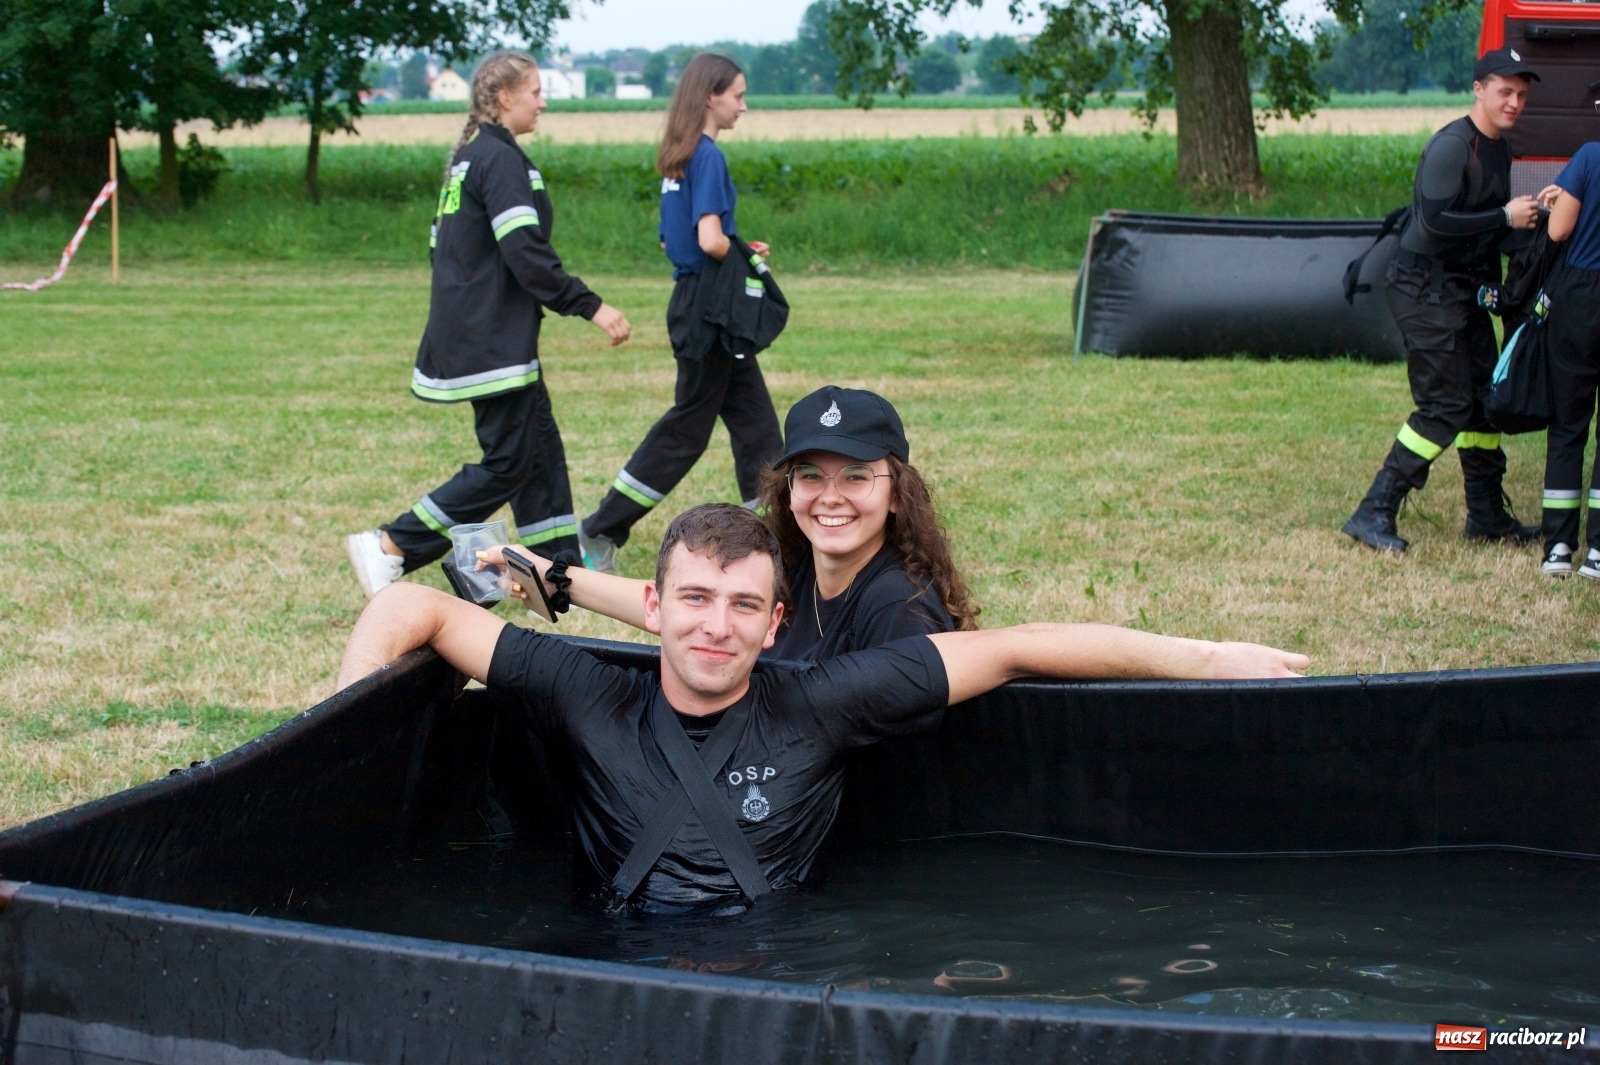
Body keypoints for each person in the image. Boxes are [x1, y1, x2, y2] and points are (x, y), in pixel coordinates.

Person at [337, 503, 1309, 915]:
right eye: (695, 600)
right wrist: (325, 753)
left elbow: (1014, 649)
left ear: (775, 623)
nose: (715, 627)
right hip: (603, 974)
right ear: (653, 606)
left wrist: (1206, 657)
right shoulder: (585, 692)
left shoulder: (824, 704)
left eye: (743, 605)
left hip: (779, 978)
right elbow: (409, 606)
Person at [344, 51, 632, 598]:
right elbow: (526, 252)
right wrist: (591, 306)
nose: (543, 102)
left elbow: (441, 250)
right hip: (492, 345)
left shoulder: (473, 158)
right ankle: (390, 545)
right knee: (507, 465)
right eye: (535, 92)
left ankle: (555, 573)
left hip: (488, 339)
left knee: (539, 454)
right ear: (505, 99)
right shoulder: (498, 160)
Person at [494, 385, 977, 661]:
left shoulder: (898, 607)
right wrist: (552, 579)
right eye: (810, 476)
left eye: (856, 477)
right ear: (788, 491)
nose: (831, 497)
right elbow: (682, 605)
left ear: (897, 494)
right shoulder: (800, 567)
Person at [577, 53, 783, 575]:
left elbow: (675, 239)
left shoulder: (680, 156)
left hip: (695, 302)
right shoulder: (709, 155)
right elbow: (708, 239)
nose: (743, 104)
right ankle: (601, 528)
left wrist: (737, 246)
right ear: (710, 96)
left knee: (755, 424)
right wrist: (745, 259)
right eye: (737, 94)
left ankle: (779, 537)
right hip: (709, 311)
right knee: (687, 430)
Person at [1342, 47, 1543, 554]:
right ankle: (1374, 511)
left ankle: (1487, 517)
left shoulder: (1500, 148)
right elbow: (1434, 223)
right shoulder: (1453, 146)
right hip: (1421, 289)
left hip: (1465, 290)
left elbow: (1490, 227)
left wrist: (1541, 224)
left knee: (1484, 404)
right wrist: (1504, 218)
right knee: (1445, 405)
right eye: (1505, 92)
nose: (1514, 102)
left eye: (1521, 95)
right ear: (1478, 89)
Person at [1534, 141, 1600, 578]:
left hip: (1580, 299)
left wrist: (1563, 200)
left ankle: (1558, 547)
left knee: (1568, 423)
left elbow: (1558, 232)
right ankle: (1598, 555)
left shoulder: (1591, 156)